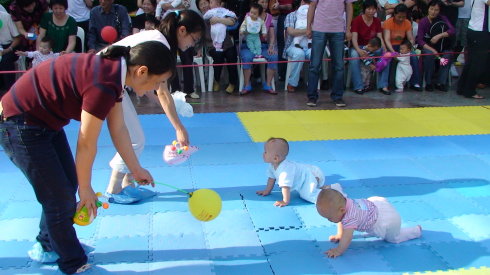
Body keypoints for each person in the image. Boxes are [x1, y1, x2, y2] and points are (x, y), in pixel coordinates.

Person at [0, 41, 172, 274]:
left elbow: (119, 128)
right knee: (59, 199)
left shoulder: (115, 74)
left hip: (42, 122)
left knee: (65, 187)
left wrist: (136, 168)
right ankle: (73, 263)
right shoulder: (104, 82)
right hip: (19, 124)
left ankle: (48, 244)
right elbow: (86, 144)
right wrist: (86, 189)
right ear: (142, 71)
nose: (158, 87)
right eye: (158, 81)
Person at [103, 10, 205, 203]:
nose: (192, 44)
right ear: (182, 31)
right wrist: (179, 128)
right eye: (194, 39)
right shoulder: (161, 45)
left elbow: (150, 86)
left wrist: (172, 107)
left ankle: (128, 184)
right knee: (134, 139)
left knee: (135, 136)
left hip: (114, 81)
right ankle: (114, 190)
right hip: (107, 81)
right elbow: (161, 90)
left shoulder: (160, 39)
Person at [316, 188, 422, 258]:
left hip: (387, 220)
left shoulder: (350, 217)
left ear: (342, 210)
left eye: (329, 218)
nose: (329, 221)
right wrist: (340, 234)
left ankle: (415, 231)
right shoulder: (344, 202)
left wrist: (338, 250)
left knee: (393, 238)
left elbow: (347, 237)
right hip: (376, 204)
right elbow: (340, 221)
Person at [256, 137, 345, 206]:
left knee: (308, 196)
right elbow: (271, 178)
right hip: (308, 173)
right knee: (309, 190)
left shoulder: (285, 171)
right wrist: (267, 191)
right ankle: (331, 187)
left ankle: (337, 194)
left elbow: (285, 187)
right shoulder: (273, 165)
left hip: (311, 175)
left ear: (275, 158)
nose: (263, 154)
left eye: (265, 152)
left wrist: (285, 201)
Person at [305, 0, 354, 107]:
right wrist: (308, 26)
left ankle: (337, 96)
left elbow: (349, 6)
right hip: (319, 28)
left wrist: (348, 28)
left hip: (338, 29)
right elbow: (312, 5)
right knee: (314, 65)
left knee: (339, 66)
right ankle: (312, 96)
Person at [198, 0, 239, 94]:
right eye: (201, 5)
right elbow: (198, 37)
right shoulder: (202, 19)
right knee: (218, 56)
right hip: (212, 45)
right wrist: (199, 50)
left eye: (206, 3)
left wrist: (218, 20)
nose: (204, 6)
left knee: (232, 55)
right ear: (199, 8)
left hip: (227, 44)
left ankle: (232, 83)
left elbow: (233, 21)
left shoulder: (222, 12)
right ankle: (216, 80)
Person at [240, 0, 278, 95]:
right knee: (247, 57)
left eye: (266, 2)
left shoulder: (269, 17)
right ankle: (247, 85)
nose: (264, 4)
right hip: (248, 45)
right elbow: (243, 29)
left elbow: (272, 35)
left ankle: (268, 85)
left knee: (273, 56)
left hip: (263, 46)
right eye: (262, 1)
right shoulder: (249, 15)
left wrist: (271, 47)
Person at [417, 0, 455, 92]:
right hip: (428, 47)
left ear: (439, 11)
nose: (433, 12)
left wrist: (439, 35)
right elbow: (420, 40)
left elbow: (452, 30)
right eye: (431, 9)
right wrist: (433, 50)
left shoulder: (443, 18)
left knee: (447, 55)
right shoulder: (423, 21)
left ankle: (440, 82)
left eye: (436, 10)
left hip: (442, 46)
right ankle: (428, 82)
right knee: (429, 55)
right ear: (428, 9)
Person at [383, 4, 421, 93]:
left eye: (403, 17)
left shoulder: (407, 23)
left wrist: (409, 48)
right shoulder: (388, 22)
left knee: (414, 56)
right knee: (387, 57)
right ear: (394, 14)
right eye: (399, 17)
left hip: (403, 47)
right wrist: (393, 52)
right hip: (391, 47)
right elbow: (387, 39)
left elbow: (411, 39)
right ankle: (386, 84)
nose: (401, 19)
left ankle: (414, 82)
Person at [349, 0, 385, 95]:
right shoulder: (357, 20)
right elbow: (354, 38)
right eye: (369, 9)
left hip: (373, 47)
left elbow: (380, 37)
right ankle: (358, 86)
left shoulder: (377, 21)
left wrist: (384, 48)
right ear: (364, 9)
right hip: (359, 46)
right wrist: (358, 50)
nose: (371, 11)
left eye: (373, 9)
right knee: (354, 55)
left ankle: (383, 85)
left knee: (385, 55)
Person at [456, 0, 490, 99]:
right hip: (480, 31)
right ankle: (469, 90)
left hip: (474, 30)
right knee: (477, 64)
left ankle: (462, 87)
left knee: (470, 62)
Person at [283, 0, 311, 92]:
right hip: (293, 46)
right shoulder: (291, 15)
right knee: (299, 54)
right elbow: (291, 32)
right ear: (302, 2)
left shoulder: (314, 15)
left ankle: (312, 83)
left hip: (310, 45)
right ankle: (292, 83)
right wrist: (308, 30)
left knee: (315, 53)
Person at [0, 11, 21, 96]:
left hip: (9, 46)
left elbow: (17, 38)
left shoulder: (6, 16)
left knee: (5, 61)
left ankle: (10, 92)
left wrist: (8, 49)